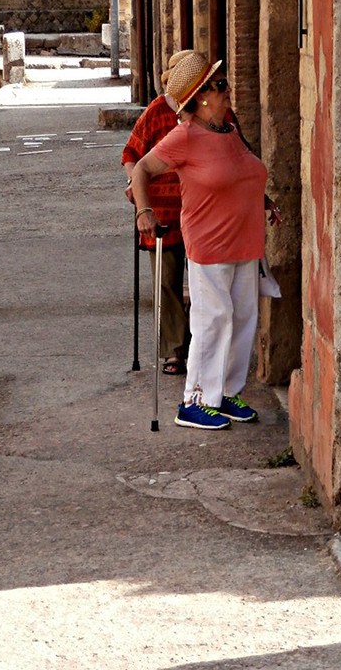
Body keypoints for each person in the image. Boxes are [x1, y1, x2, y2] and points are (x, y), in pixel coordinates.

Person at [131, 51, 282, 430]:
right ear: (201, 97)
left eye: (224, 83)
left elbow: (239, 173)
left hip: (245, 241)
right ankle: (193, 400)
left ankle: (224, 394)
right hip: (210, 243)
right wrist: (144, 211)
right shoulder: (184, 136)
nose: (227, 89)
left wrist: (262, 199)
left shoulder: (229, 129)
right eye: (220, 86)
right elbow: (141, 169)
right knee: (213, 319)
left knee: (243, 319)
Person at [121, 50, 197, 374]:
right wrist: (141, 203)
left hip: (198, 211)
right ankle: (175, 349)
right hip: (162, 214)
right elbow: (131, 154)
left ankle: (201, 343)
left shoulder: (205, 115)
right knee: (166, 282)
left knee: (203, 284)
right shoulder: (155, 113)